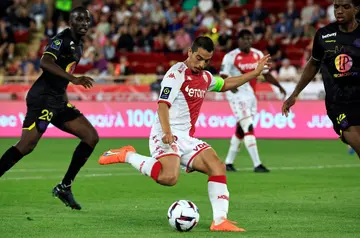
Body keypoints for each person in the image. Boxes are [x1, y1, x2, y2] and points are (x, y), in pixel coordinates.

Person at [99, 36, 270, 232]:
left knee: (217, 166)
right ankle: (127, 155)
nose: (201, 64)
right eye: (198, 58)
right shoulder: (176, 74)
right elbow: (163, 105)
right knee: (169, 178)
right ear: (189, 52)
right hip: (164, 133)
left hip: (186, 137)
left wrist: (254, 73)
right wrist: (167, 132)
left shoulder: (205, 78)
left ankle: (220, 220)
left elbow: (226, 83)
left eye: (206, 60)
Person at [0, 7, 99, 210]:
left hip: (58, 101)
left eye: (87, 20)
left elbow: (59, 77)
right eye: (79, 20)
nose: (84, 24)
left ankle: (65, 187)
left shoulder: (79, 45)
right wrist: (74, 79)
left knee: (91, 136)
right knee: (26, 145)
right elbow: (45, 62)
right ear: (70, 22)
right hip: (42, 99)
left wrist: (64, 97)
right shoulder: (61, 39)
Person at [282, 0, 360, 157]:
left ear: (356, 9)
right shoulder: (324, 34)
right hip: (338, 100)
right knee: (352, 134)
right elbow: (313, 64)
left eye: (345, 7)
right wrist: (295, 93)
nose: (339, 11)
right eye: (336, 7)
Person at [220, 29, 286, 172]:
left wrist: (279, 86)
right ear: (238, 41)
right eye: (243, 38)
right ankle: (257, 164)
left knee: (241, 129)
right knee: (248, 126)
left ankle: (228, 163)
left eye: (249, 38)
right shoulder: (230, 57)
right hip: (236, 95)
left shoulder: (258, 55)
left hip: (251, 95)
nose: (247, 41)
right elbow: (223, 76)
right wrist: (234, 91)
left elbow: (266, 74)